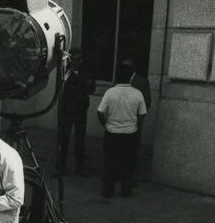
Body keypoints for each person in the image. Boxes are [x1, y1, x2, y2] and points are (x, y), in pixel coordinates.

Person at [96, 64, 147, 198]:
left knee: (110, 163)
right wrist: (136, 125)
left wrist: (106, 124)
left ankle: (108, 190)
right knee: (128, 164)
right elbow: (142, 114)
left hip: (112, 132)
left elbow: (100, 111)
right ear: (131, 77)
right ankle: (126, 190)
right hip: (130, 134)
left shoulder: (110, 92)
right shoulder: (137, 93)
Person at [57, 47, 95, 177]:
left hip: (80, 111)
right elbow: (63, 90)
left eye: (78, 59)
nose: (75, 62)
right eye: (73, 59)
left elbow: (91, 88)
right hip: (67, 111)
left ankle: (80, 168)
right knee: (63, 140)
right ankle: (60, 168)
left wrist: (79, 87)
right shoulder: (65, 72)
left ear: (81, 60)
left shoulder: (86, 73)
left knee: (80, 141)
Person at [123, 58, 151, 187]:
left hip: (134, 121)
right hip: (120, 121)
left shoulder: (142, 81)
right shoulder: (120, 81)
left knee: (133, 150)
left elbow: (147, 102)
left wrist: (138, 118)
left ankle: (132, 177)